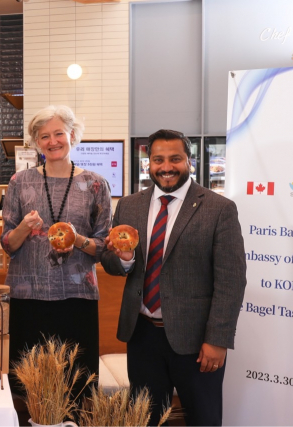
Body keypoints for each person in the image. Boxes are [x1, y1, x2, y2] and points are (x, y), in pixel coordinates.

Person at [100, 129, 247, 426]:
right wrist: (125, 258)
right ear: (149, 164)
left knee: (204, 419)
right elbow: (111, 263)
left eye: (175, 159)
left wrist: (217, 339)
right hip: (142, 336)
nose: (166, 167)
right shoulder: (129, 206)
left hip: (197, 341)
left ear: (189, 161)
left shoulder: (219, 209)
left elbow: (231, 281)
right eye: (158, 160)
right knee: (146, 420)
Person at [0, 105, 112, 398]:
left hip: (77, 298)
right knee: (28, 389)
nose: (52, 142)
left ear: (72, 135)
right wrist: (24, 227)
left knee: (76, 388)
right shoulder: (19, 182)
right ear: (36, 143)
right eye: (44, 136)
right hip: (28, 298)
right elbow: (8, 245)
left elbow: (102, 246)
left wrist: (77, 239)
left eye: (58, 133)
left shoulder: (95, 184)